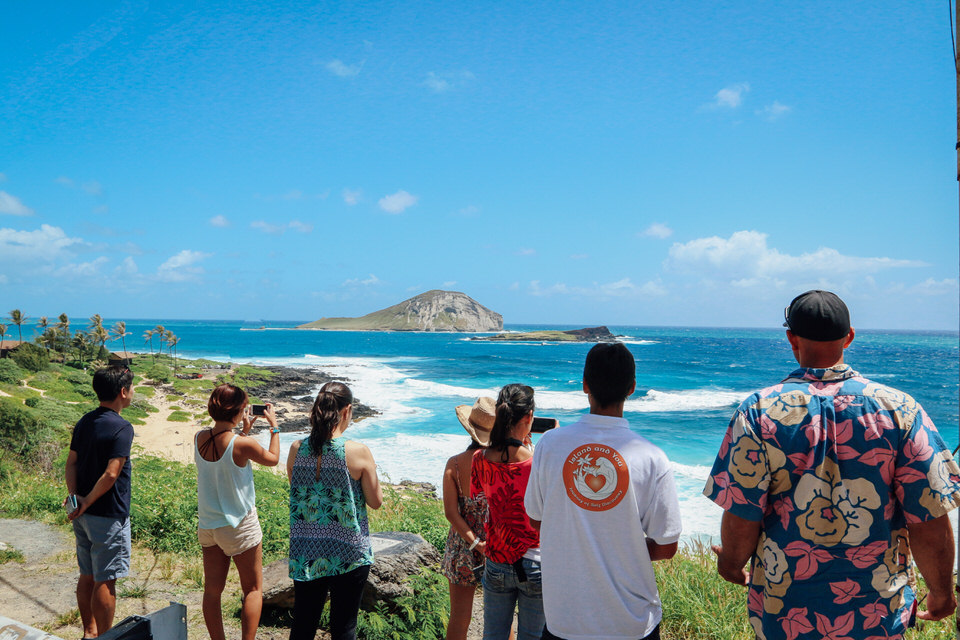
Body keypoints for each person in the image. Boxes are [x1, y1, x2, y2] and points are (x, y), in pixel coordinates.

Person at [704, 290, 960, 640]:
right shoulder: (901, 409)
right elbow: (928, 516)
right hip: (878, 612)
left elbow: (743, 513)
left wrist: (731, 564)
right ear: (849, 337)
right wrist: (943, 591)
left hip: (784, 611)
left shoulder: (757, 411)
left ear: (791, 339)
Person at [524, 342, 682, 640]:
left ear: (584, 385)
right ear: (632, 388)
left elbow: (535, 519)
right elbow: (667, 546)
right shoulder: (652, 457)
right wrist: (622, 547)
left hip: (565, 619)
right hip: (632, 621)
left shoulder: (549, 444)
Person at [286, 382, 383, 640]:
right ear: (347, 410)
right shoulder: (357, 451)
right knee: (344, 627)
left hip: (306, 549)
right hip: (348, 551)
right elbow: (375, 501)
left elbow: (298, 491)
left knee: (303, 625)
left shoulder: (297, 448)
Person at [195, 384, 281, 640]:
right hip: (239, 525)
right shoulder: (243, 444)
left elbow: (224, 451)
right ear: (239, 410)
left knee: (212, 591)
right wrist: (274, 426)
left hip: (209, 525)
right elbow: (273, 459)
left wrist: (242, 431)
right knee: (253, 589)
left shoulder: (200, 436)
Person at [65, 366, 135, 638]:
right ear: (122, 392)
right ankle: (106, 636)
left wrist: (76, 499)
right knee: (106, 579)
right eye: (132, 387)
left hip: (81, 514)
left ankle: (89, 632)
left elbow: (72, 463)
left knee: (87, 575)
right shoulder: (122, 427)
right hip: (108, 514)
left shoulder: (85, 421)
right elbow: (111, 473)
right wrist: (88, 501)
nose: (133, 392)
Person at [471, 384, 544, 640]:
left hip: (497, 558)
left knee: (493, 635)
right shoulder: (537, 462)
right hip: (535, 560)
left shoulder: (480, 458)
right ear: (528, 417)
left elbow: (477, 494)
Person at [442, 397, 497, 640]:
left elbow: (451, 512)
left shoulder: (455, 463)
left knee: (459, 618)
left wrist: (476, 543)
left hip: (462, 547)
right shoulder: (505, 463)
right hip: (498, 546)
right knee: (500, 618)